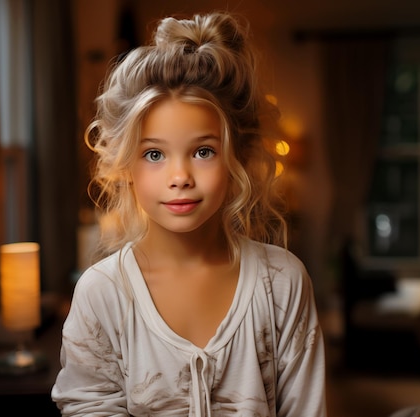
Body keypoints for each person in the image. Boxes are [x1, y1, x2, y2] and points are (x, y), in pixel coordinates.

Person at [51, 11, 327, 417]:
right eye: (154, 154)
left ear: (238, 155)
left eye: (203, 151)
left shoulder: (283, 284)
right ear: (125, 164)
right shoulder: (101, 295)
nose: (180, 177)